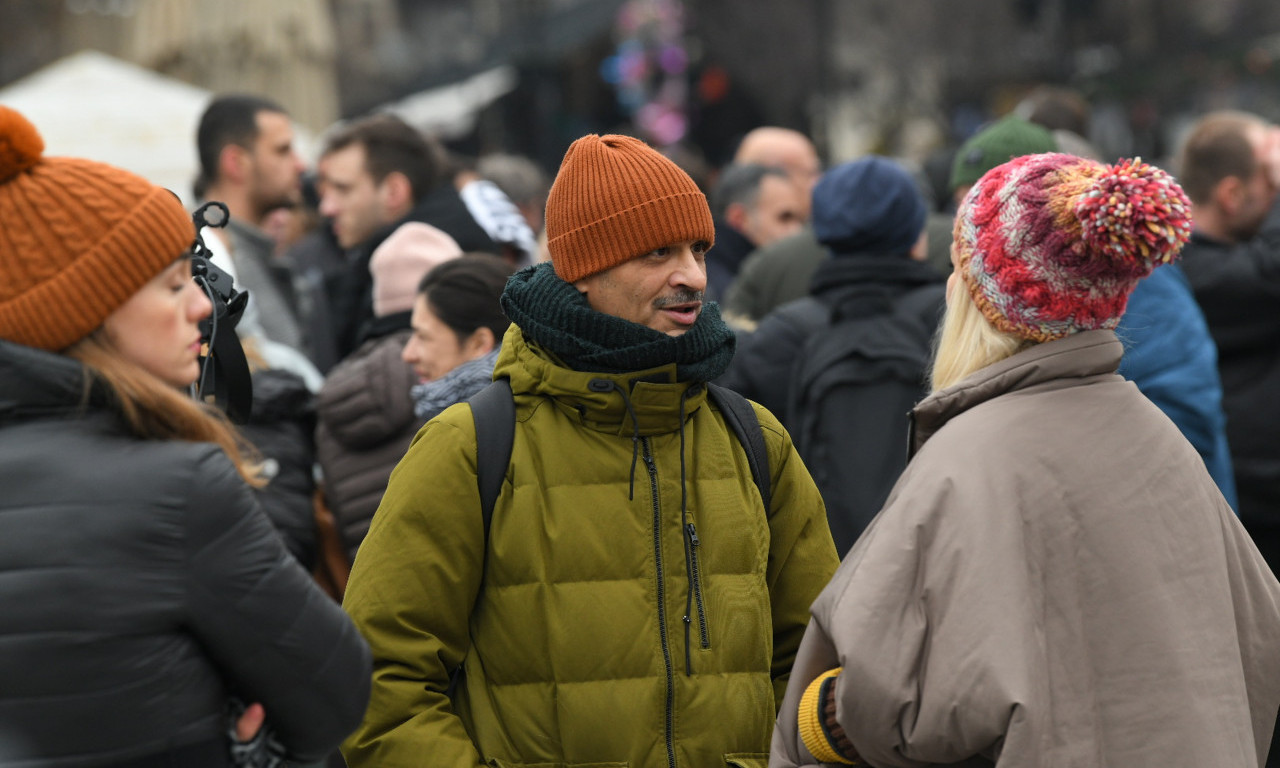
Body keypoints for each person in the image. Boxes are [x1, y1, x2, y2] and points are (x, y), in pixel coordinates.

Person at [341, 133, 839, 767]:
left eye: (698, 249)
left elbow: (815, 664)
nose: (690, 275)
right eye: (658, 251)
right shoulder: (470, 448)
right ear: (583, 270)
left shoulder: (755, 442)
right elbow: (381, 681)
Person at [771, 152, 1280, 767]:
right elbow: (1257, 636)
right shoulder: (1156, 437)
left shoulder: (968, 457)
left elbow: (886, 706)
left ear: (976, 294)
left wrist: (819, 715)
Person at [0, 106, 371, 765]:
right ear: (90, 317)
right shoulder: (178, 486)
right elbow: (336, 695)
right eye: (172, 285)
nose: (202, 305)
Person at [719, 156, 945, 554]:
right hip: (937, 566)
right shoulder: (953, 325)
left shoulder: (783, 336)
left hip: (823, 577)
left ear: (821, 232)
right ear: (916, 233)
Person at [1175, 110, 1280, 568]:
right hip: (1252, 505)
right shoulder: (1194, 273)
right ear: (1232, 194)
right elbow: (1269, 273)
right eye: (1270, 183)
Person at [316, 113, 497, 357]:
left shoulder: (421, 264)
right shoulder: (444, 236)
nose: (326, 208)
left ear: (394, 192)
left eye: (342, 189)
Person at [195, 94, 309, 355]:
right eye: (283, 150)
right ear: (235, 163)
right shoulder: (207, 258)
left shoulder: (250, 249)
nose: (300, 165)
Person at [707, 163, 807, 300]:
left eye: (801, 220)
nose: (797, 231)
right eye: (785, 218)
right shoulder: (714, 290)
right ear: (738, 219)